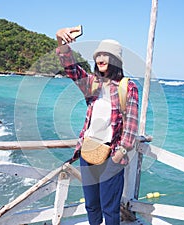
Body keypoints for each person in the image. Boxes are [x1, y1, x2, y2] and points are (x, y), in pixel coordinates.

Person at [56, 26, 139, 225]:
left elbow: (132, 125)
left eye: (106, 55)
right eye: (98, 54)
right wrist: (61, 41)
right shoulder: (93, 83)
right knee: (91, 205)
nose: (101, 58)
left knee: (110, 210)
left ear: (116, 60)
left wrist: (120, 152)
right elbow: (71, 69)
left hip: (111, 156)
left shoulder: (127, 87)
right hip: (88, 152)